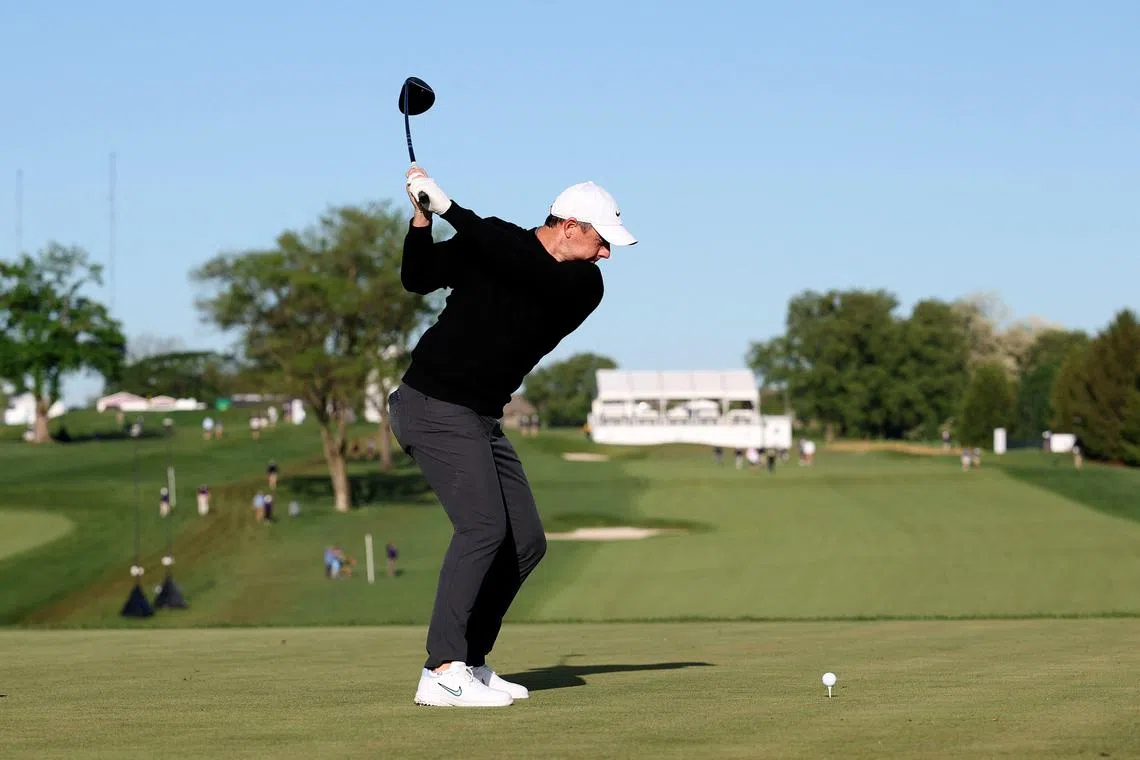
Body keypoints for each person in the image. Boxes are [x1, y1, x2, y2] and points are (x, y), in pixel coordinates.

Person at [387, 165, 636, 708]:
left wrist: (455, 210)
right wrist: (423, 220)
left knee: (525, 542)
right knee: (481, 527)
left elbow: (526, 266)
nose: (606, 254)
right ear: (569, 225)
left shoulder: (581, 285)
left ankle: (470, 663)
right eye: (600, 240)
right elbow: (418, 276)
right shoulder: (494, 246)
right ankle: (441, 668)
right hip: (430, 405)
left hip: (477, 416)